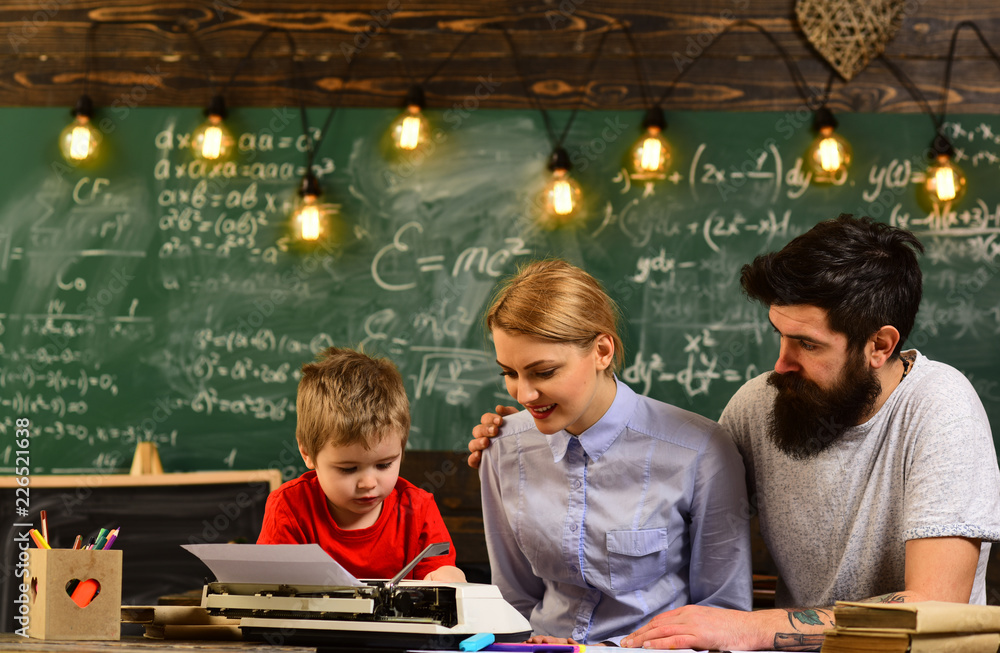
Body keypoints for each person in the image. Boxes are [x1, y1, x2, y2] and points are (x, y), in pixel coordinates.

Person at [469, 215, 1000, 651]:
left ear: (879, 346)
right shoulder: (758, 404)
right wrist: (528, 424)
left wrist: (746, 626)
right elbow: (668, 475)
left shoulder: (940, 408)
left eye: (808, 345)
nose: (780, 363)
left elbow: (933, 605)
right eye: (779, 334)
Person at [477, 258, 752, 646]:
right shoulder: (501, 447)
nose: (524, 395)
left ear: (602, 351)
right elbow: (513, 600)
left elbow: (721, 612)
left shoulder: (700, 450)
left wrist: (589, 651)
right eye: (509, 373)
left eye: (544, 372)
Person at [259, 346, 465, 582]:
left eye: (384, 465)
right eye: (348, 469)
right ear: (307, 453)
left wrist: (447, 576)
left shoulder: (418, 510)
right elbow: (271, 589)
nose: (368, 483)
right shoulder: (288, 509)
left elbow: (441, 573)